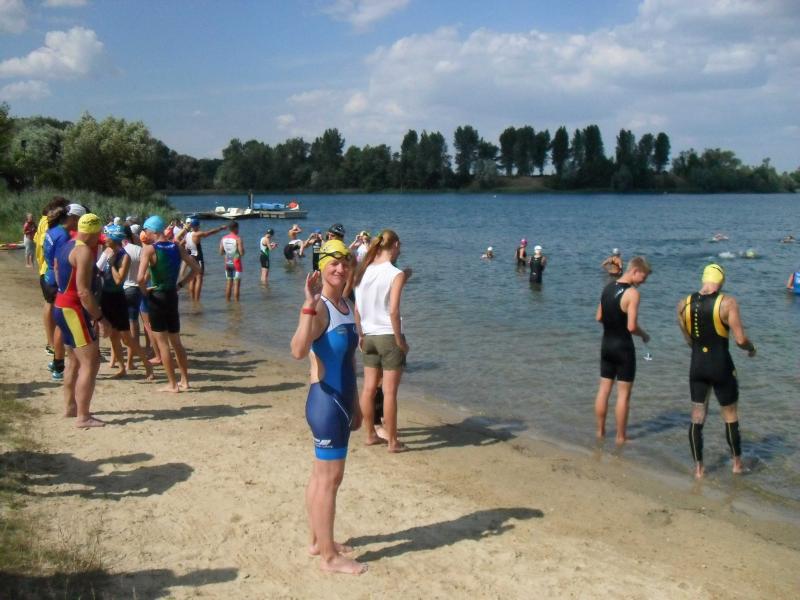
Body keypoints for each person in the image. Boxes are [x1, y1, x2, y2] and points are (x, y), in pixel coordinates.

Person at [290, 239, 366, 576]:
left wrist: (357, 405)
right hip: (326, 403)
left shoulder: (345, 304)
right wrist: (307, 306)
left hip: (343, 401)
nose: (339, 268)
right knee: (329, 480)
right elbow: (297, 350)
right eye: (333, 263)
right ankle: (329, 558)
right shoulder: (318, 307)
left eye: (344, 262)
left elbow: (350, 362)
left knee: (321, 477)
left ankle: (318, 542)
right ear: (321, 266)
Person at [677, 264, 756, 478]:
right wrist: (752, 348)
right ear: (721, 281)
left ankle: (699, 470)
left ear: (704, 279)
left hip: (697, 366)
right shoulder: (727, 303)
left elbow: (689, 340)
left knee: (697, 417)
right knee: (730, 415)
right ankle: (737, 465)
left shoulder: (683, 304)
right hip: (721, 366)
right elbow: (740, 340)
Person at [354, 229, 411, 453]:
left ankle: (369, 434)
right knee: (389, 392)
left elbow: (357, 310)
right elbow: (393, 311)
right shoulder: (395, 273)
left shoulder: (363, 271)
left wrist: (361, 335)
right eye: (400, 246)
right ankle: (393, 442)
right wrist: (400, 341)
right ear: (395, 245)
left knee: (368, 389)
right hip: (388, 336)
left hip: (368, 336)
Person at [52, 213, 109, 428]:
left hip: (60, 305)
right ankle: (83, 417)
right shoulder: (83, 251)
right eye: (98, 235)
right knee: (90, 362)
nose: (98, 240)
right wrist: (100, 318)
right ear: (93, 232)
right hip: (74, 310)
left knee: (74, 361)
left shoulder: (66, 244)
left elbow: (56, 269)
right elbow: (84, 292)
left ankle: (70, 407)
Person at [137, 215, 201, 392]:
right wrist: (180, 284)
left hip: (157, 297)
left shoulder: (149, 250)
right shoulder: (176, 246)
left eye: (146, 230)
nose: (145, 234)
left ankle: (172, 384)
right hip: (172, 296)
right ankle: (185, 381)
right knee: (176, 342)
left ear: (153, 231)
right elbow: (196, 269)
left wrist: (144, 291)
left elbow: (140, 278)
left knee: (162, 343)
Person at [593, 256, 651, 444]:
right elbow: (631, 327)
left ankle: (600, 432)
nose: (644, 281)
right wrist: (644, 335)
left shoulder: (607, 287)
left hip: (606, 345)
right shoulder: (632, 293)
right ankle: (620, 437)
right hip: (623, 348)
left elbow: (599, 317)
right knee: (623, 395)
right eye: (644, 277)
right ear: (635, 271)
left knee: (603, 390)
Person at [97, 225, 154, 380]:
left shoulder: (125, 256)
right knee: (113, 336)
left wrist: (111, 265)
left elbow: (119, 280)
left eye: (107, 236)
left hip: (118, 298)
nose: (104, 238)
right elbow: (99, 271)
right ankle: (122, 368)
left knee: (126, 338)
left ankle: (147, 365)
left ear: (114, 239)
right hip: (106, 297)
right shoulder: (107, 252)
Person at [44, 203, 85, 380]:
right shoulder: (64, 236)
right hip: (57, 281)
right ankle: (59, 364)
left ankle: (57, 361)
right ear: (74, 219)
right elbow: (60, 263)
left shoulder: (53, 230)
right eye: (80, 221)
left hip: (48, 277)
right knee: (62, 324)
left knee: (58, 321)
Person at [184, 218, 227, 301]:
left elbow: (183, 244)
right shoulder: (197, 234)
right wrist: (220, 228)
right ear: (196, 226)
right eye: (198, 226)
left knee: (192, 278)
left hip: (191, 258)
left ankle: (192, 299)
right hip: (198, 258)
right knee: (199, 279)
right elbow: (210, 232)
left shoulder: (187, 234)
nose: (199, 227)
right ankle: (197, 300)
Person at [220, 221, 245, 302]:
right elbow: (241, 253)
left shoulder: (223, 238)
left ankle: (228, 302)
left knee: (229, 283)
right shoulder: (238, 239)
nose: (238, 230)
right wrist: (242, 250)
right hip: (236, 263)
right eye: (238, 228)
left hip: (228, 263)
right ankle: (236, 304)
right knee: (236, 284)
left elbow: (221, 252)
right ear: (235, 228)